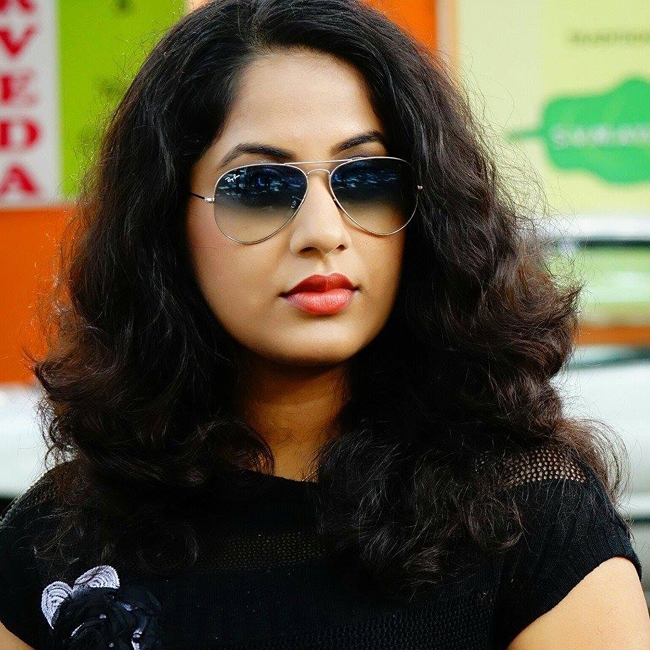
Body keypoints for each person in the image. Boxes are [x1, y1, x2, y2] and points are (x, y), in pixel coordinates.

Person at [1, 0, 649, 648]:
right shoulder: (56, 543)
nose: (322, 232)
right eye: (259, 187)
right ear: (166, 220)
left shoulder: (529, 518)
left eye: (365, 179)